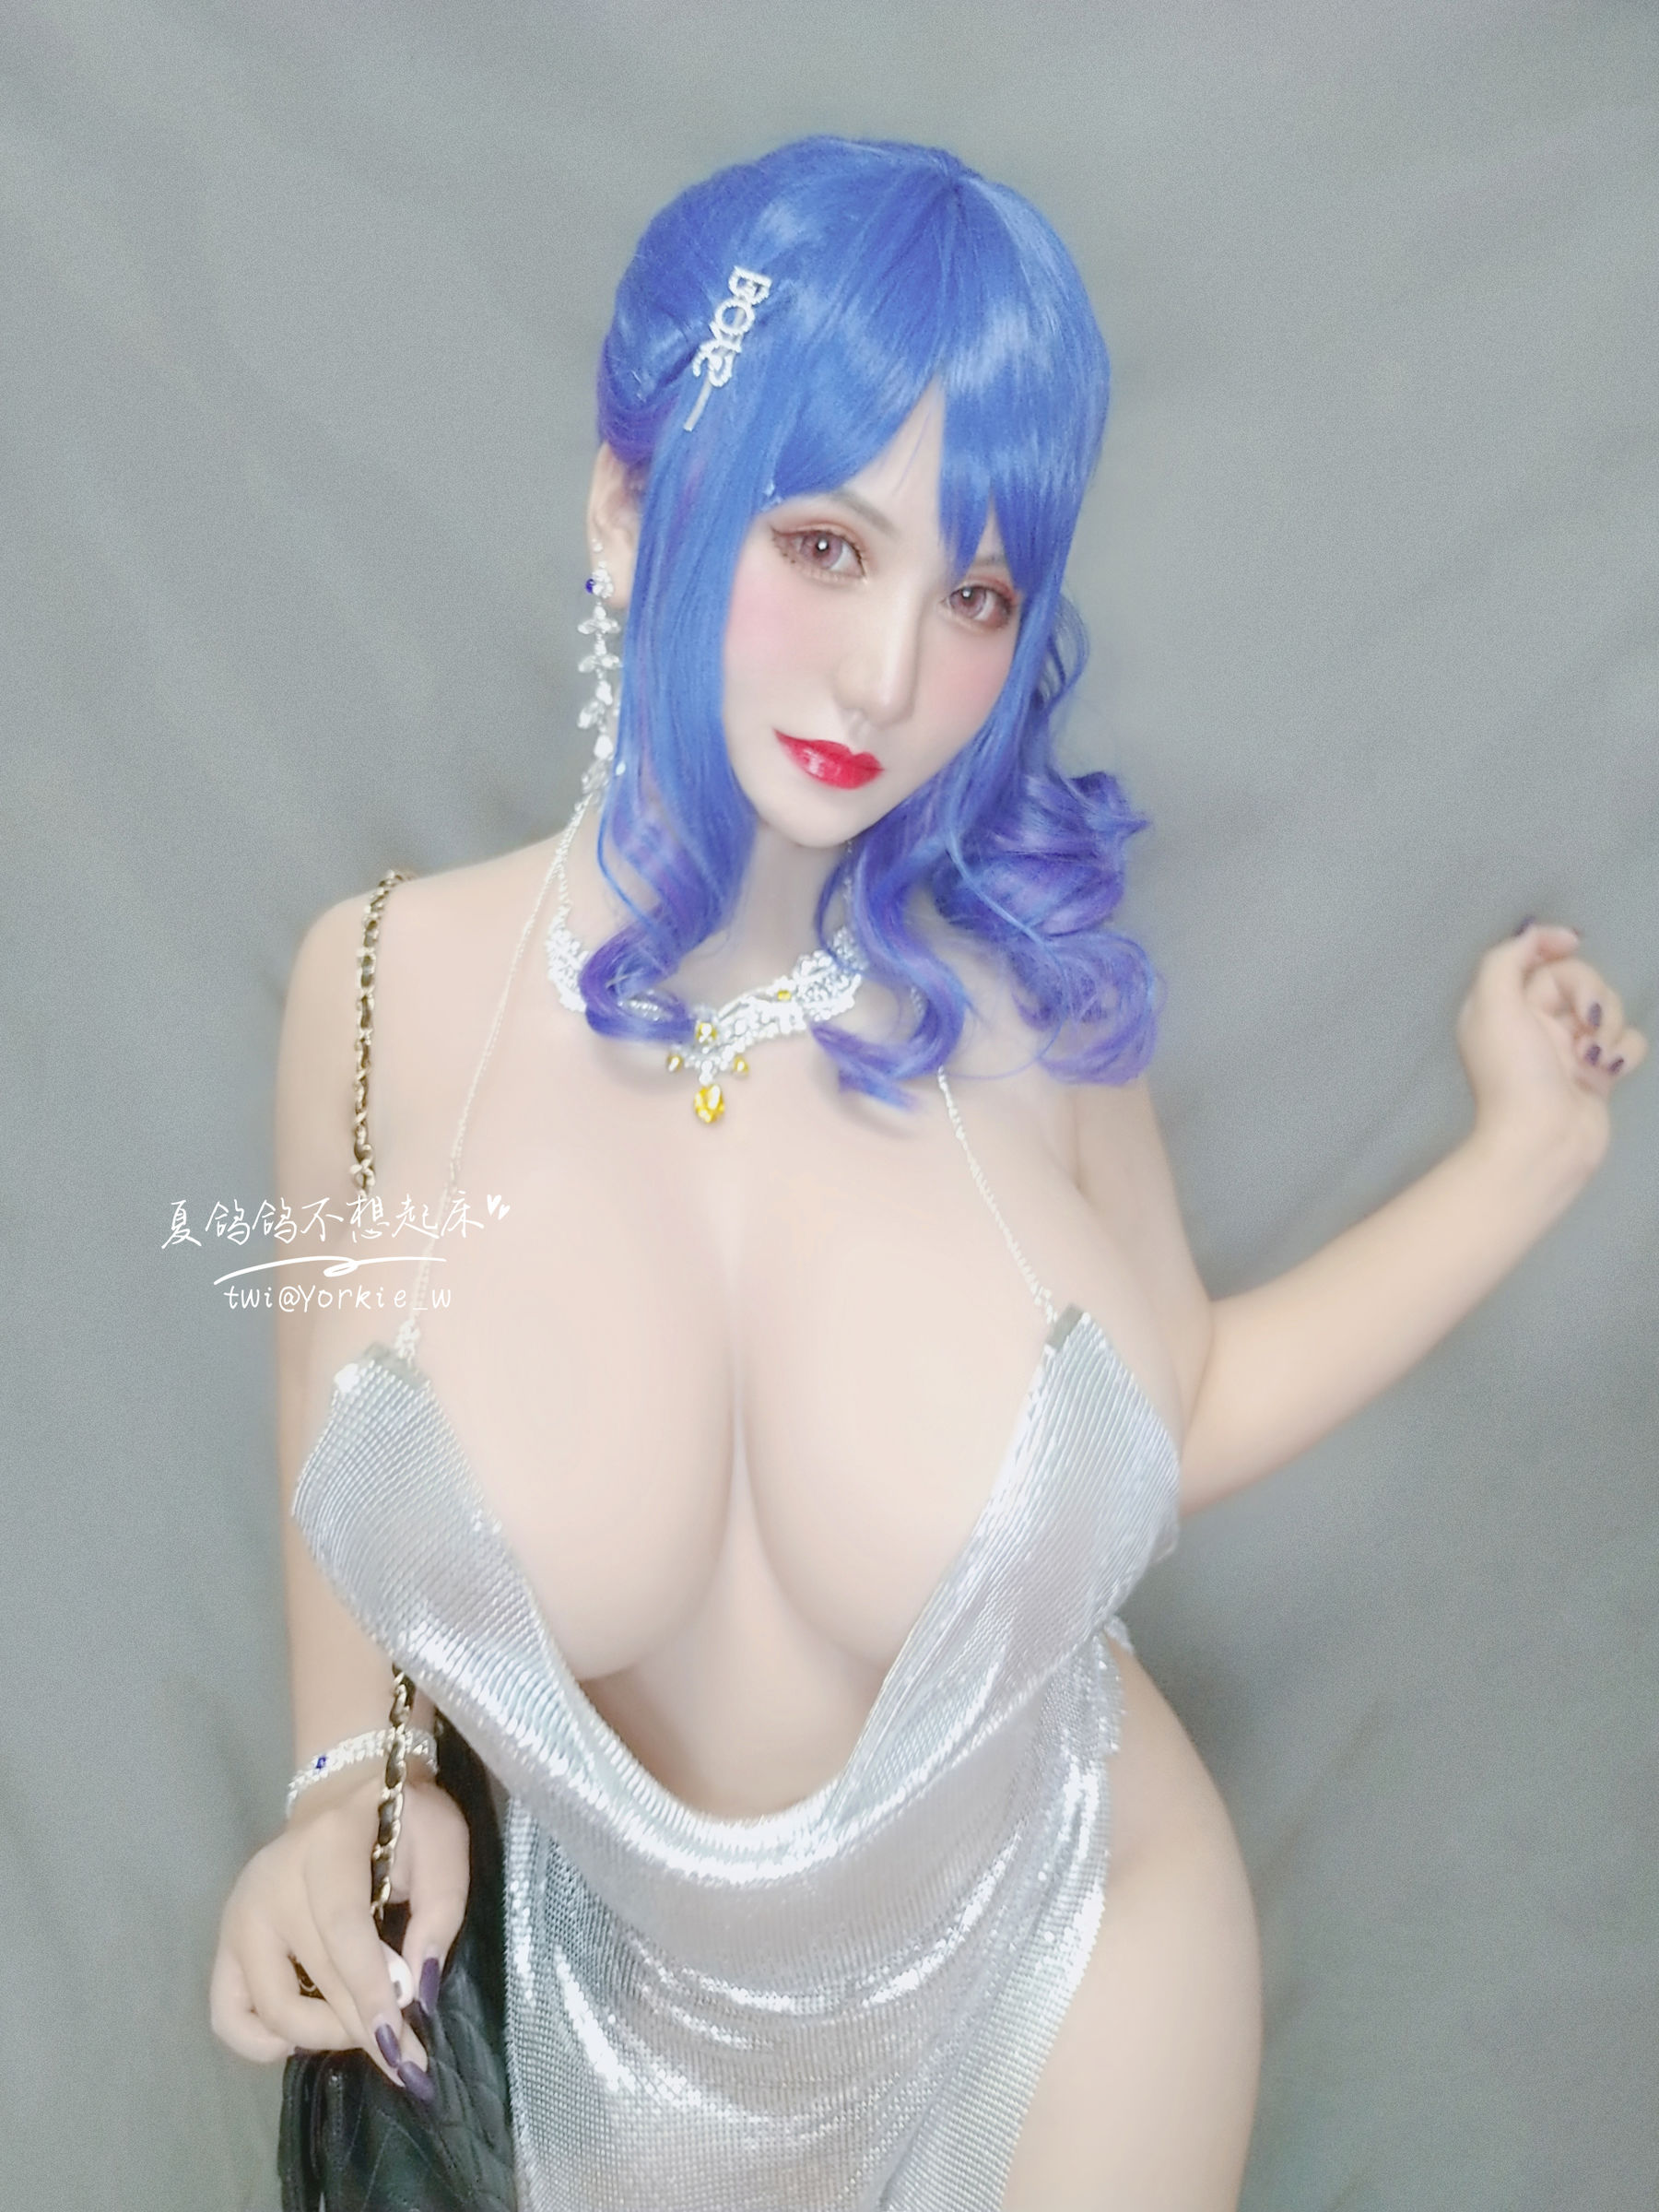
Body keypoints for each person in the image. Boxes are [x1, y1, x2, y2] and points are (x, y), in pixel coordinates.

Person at [209, 136, 1644, 2211]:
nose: (889, 677)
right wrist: (348, 1778)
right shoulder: (374, 992)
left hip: (1078, 1964)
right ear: (626, 509)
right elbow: (325, 1391)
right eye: (825, 544)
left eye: (974, 593)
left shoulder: (1032, 1011)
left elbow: (1183, 1398)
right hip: (616, 2018)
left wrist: (1527, 1157)